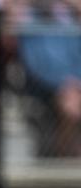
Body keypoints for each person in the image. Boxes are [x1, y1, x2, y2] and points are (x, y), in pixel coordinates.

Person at [12, 0, 81, 157]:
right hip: (47, 84)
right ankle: (67, 154)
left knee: (73, 98)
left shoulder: (69, 21)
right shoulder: (29, 25)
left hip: (75, 82)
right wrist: (64, 83)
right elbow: (36, 66)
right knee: (72, 103)